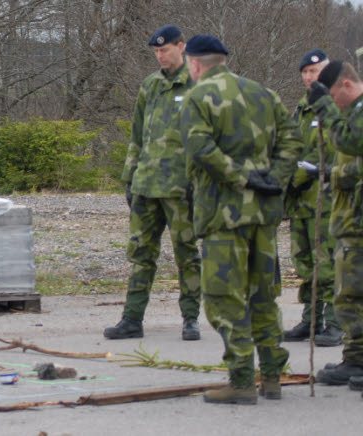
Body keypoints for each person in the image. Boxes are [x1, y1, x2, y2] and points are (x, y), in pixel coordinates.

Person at [180, 34, 300, 405]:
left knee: (224, 298)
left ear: (195, 64)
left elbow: (200, 149)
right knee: (264, 295)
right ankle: (273, 377)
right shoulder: (264, 94)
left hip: (223, 214)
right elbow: (293, 140)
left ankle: (243, 379)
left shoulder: (198, 96)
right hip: (263, 213)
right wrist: (274, 178)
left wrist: (239, 176)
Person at [105, 24, 202, 341]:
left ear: (181, 47)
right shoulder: (150, 85)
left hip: (180, 187)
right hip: (147, 184)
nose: (161, 56)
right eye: (156, 52)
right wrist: (129, 178)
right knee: (141, 254)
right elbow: (137, 135)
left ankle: (190, 318)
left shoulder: (197, 84)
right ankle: (132, 319)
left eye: (165, 50)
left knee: (186, 254)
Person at [306, 60, 363, 386]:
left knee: (350, 296)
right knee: (351, 294)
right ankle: (355, 358)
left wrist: (325, 109)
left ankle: (357, 359)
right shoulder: (354, 113)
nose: (333, 104)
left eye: (332, 95)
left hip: (357, 220)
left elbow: (349, 142)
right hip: (351, 217)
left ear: (345, 85)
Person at [283, 49, 341, 346]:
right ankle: (310, 320)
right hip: (301, 203)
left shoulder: (336, 106)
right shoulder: (302, 108)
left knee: (328, 264)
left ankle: (334, 322)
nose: (309, 77)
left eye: (315, 72)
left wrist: (301, 176)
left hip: (327, 200)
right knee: (304, 263)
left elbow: (334, 151)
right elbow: (292, 146)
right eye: (305, 72)